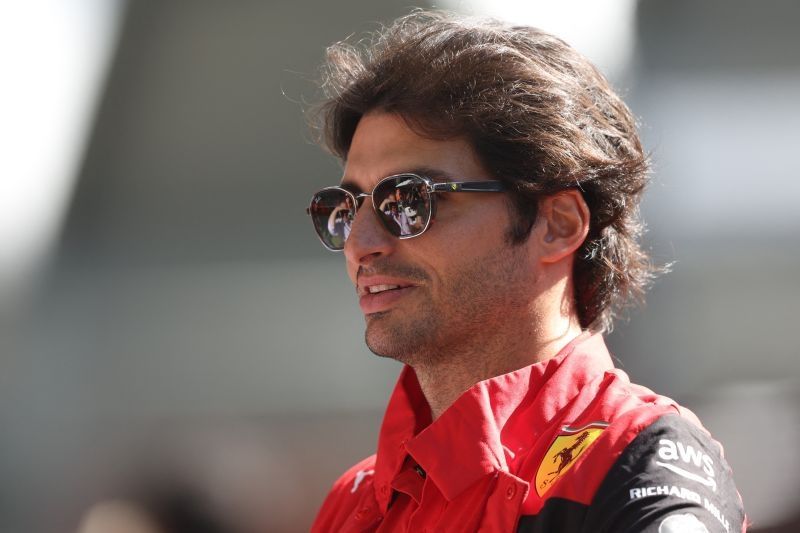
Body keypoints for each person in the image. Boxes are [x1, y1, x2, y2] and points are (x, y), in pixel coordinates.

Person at [304, 10, 746, 532]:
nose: (360, 243)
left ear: (557, 225)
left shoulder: (636, 456)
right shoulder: (355, 500)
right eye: (345, 206)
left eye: (409, 202)